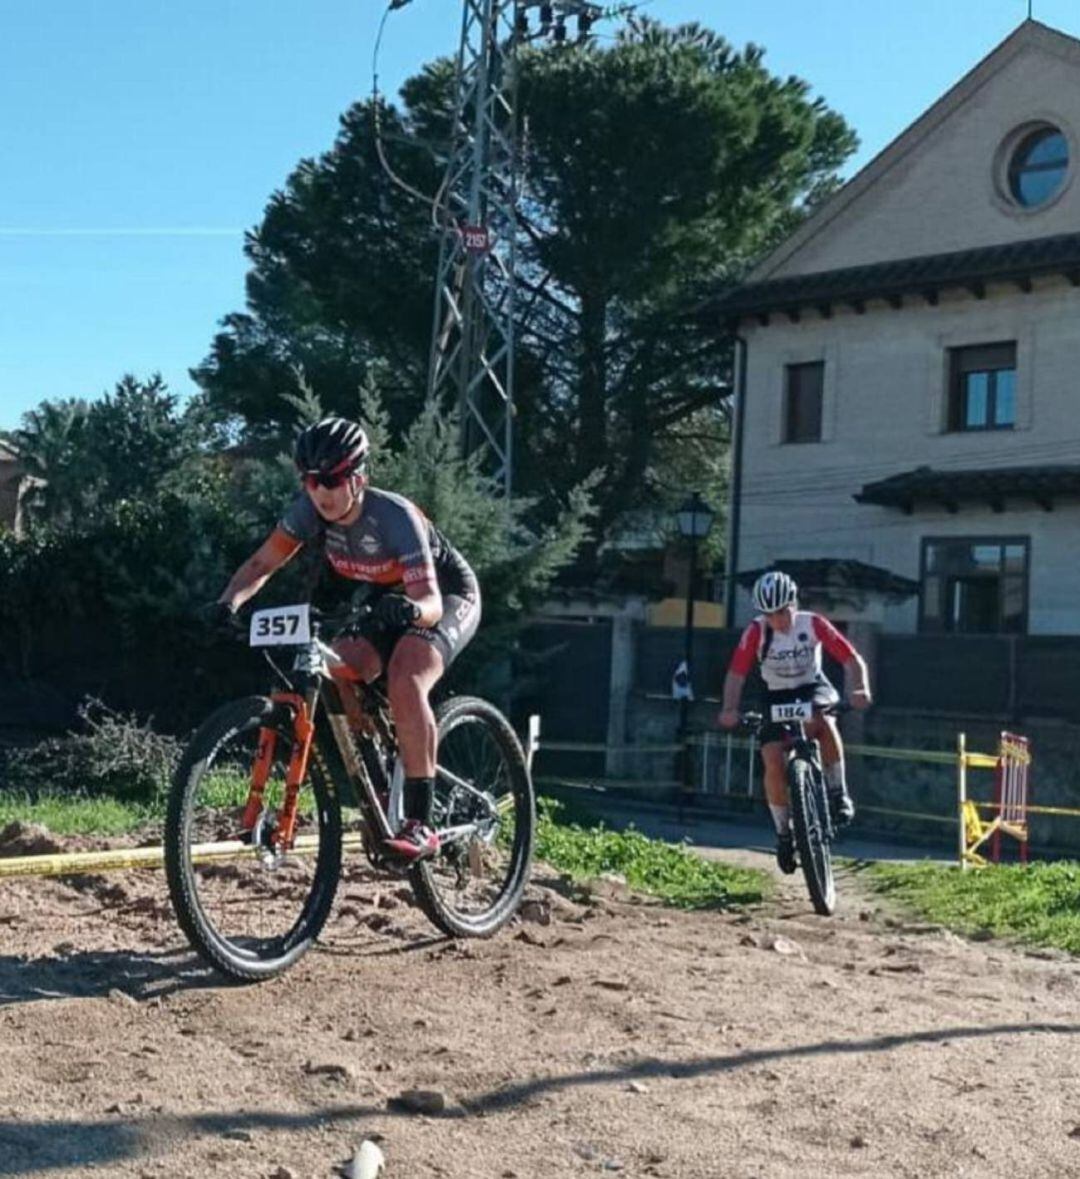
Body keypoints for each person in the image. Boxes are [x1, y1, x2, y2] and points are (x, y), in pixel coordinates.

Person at [215, 416, 481, 862]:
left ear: (359, 477)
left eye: (333, 479)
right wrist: (227, 603)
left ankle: (421, 823)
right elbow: (262, 564)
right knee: (338, 664)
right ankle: (378, 775)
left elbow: (431, 601)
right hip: (385, 597)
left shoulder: (394, 516)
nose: (321, 491)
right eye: (310, 480)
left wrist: (414, 612)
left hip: (443, 594)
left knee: (406, 678)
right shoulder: (307, 512)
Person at [717, 570, 871, 874]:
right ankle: (784, 834)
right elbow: (736, 673)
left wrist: (859, 687)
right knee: (772, 759)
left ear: (793, 604)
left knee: (824, 721)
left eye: (783, 611)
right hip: (774, 695)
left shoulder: (812, 623)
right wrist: (729, 708)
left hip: (811, 687)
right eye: (770, 614)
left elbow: (851, 658)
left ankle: (838, 793)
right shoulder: (756, 632)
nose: (777, 620)